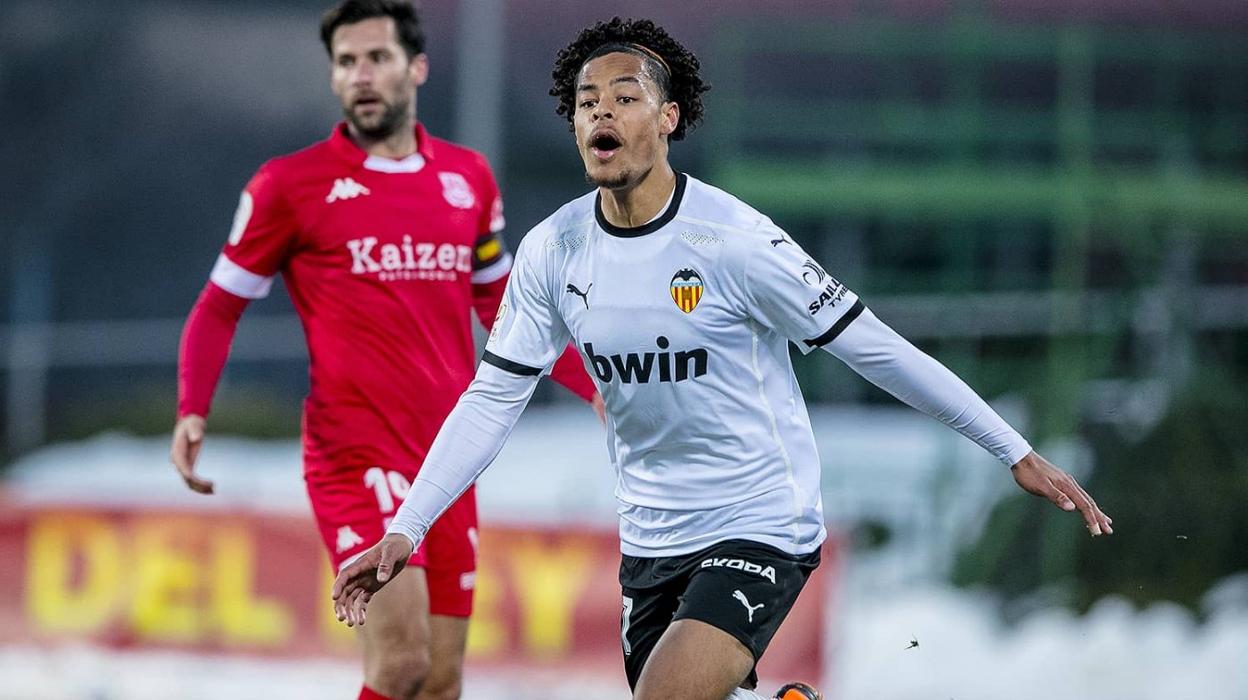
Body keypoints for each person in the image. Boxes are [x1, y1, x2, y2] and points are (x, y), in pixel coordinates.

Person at [330, 17, 1113, 700]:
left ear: (668, 117)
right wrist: (407, 529)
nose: (601, 109)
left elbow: (875, 348)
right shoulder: (553, 251)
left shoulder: (736, 242)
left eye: (625, 95)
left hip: (761, 520)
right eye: (585, 101)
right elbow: (493, 399)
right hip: (651, 541)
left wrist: (1009, 447)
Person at [169, 3, 602, 699]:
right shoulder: (289, 186)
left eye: (377, 58)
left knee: (440, 682)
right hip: (354, 454)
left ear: (416, 67)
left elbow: (506, 307)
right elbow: (220, 304)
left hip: (447, 457)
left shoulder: (468, 179)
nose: (361, 75)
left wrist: (594, 386)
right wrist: (193, 408)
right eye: (346, 62)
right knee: (400, 664)